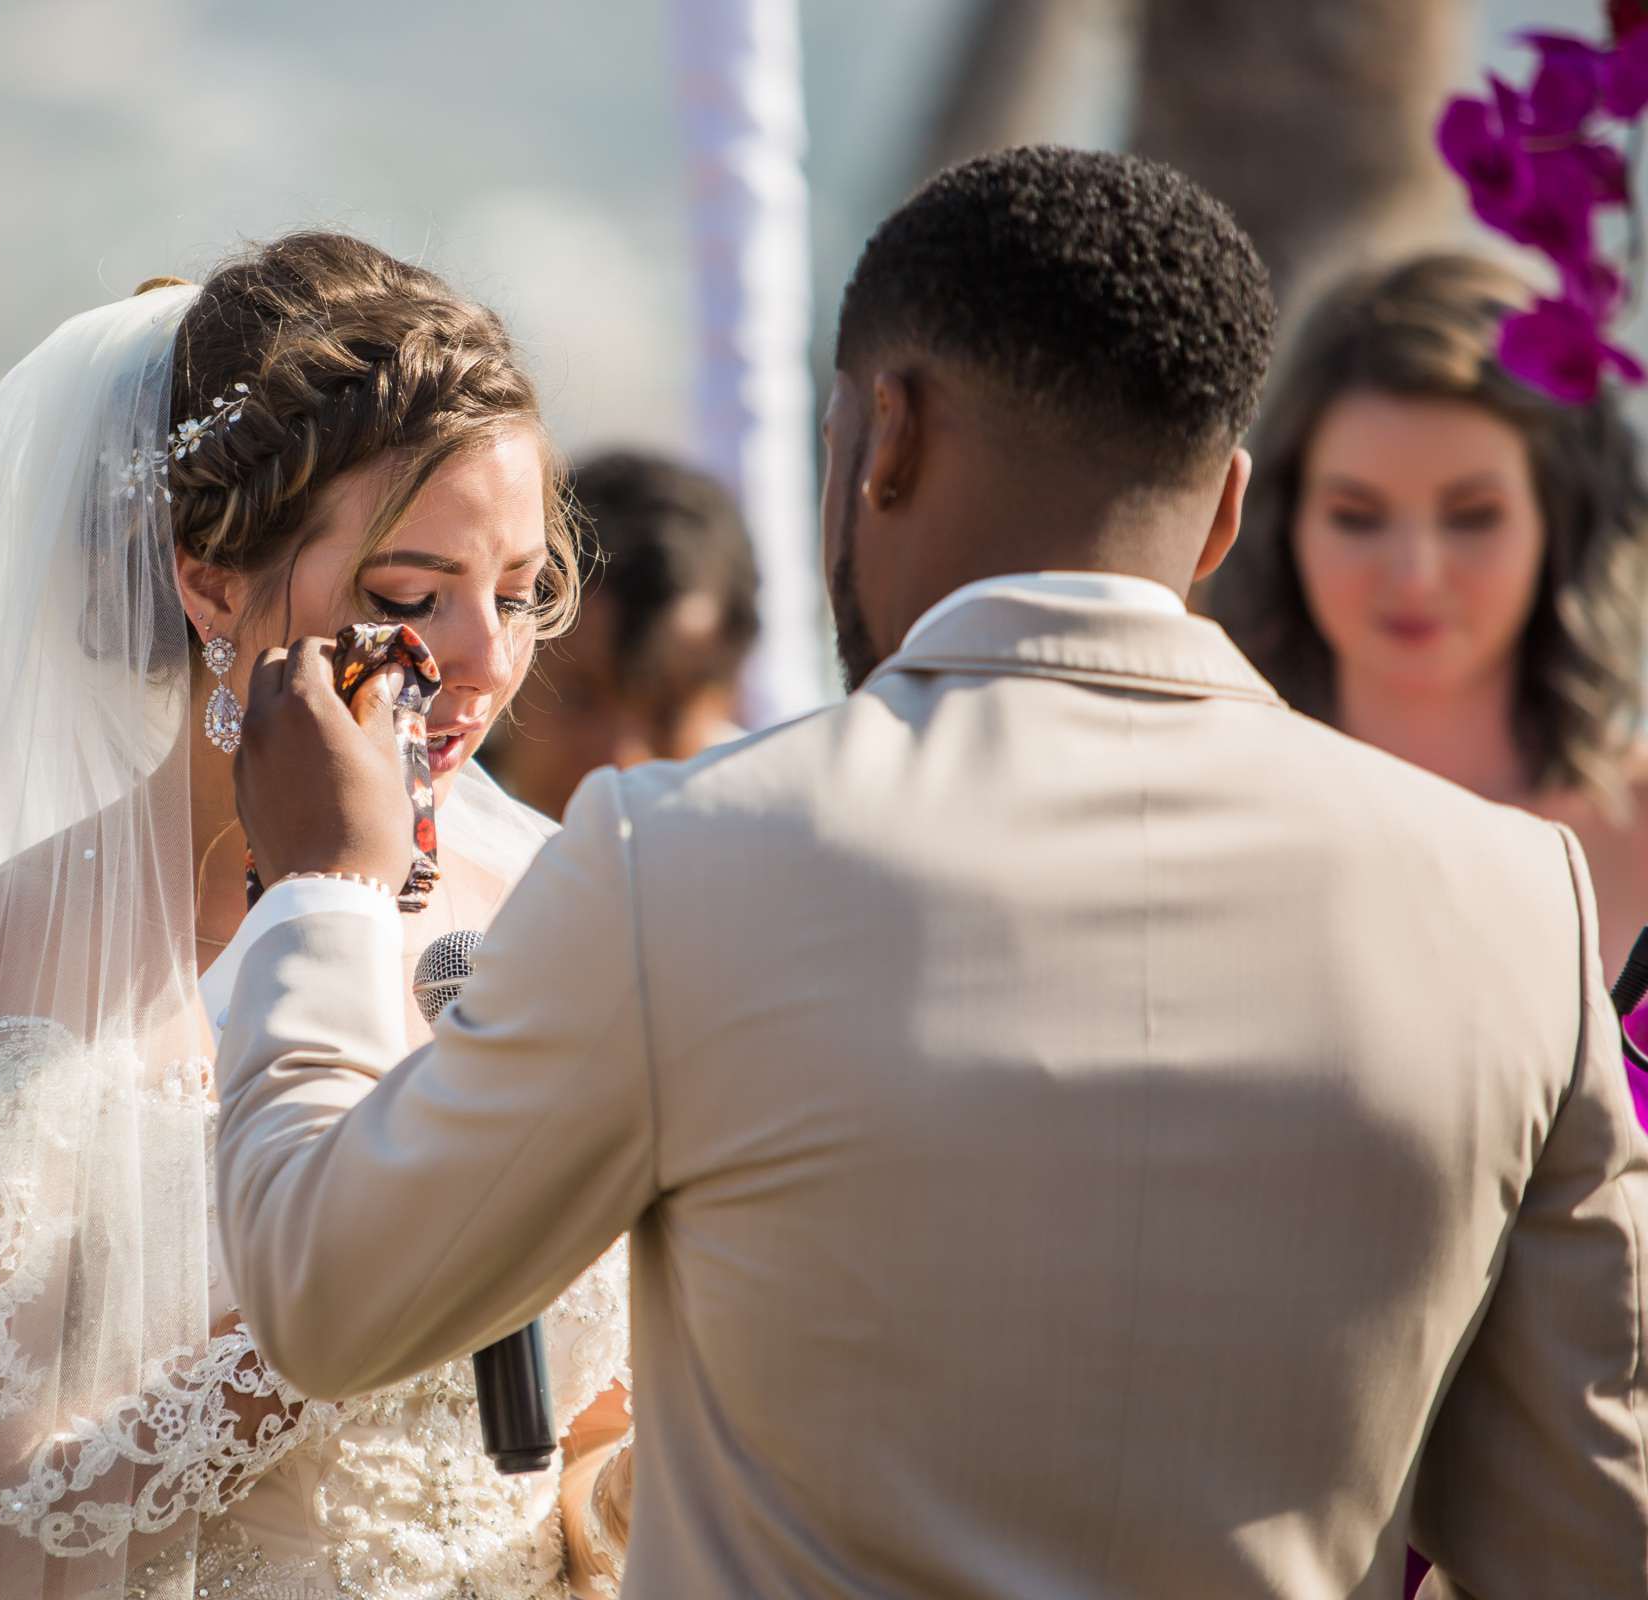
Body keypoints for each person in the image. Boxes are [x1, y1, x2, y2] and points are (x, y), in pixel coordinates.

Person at [212, 147, 1648, 1597]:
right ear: (1222, 511)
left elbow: (332, 1299)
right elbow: (1589, 1547)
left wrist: (328, 889)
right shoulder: (1517, 906)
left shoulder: (685, 858)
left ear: (882, 439)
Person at [0, 234, 633, 1600]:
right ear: (210, 583)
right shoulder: (16, 958)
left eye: (521, 593)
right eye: (411, 598)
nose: (485, 661)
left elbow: (577, 1450)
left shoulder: (543, 916)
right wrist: (353, 1287)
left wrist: (625, 1492)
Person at [1206, 252, 1648, 985]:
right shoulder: (1202, 816)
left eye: (1473, 517)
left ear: (1559, 523)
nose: (1415, 575)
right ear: (1284, 523)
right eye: (1357, 517)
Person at [486, 449, 759, 818]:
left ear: (732, 694)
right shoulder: (411, 846)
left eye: (668, 712)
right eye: (579, 698)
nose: (622, 761)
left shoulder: (785, 854)